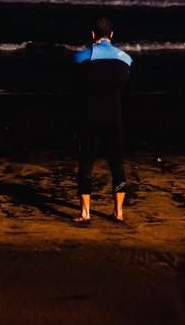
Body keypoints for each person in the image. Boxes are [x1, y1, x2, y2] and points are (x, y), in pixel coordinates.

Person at [72, 17, 132, 225]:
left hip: (90, 117)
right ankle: (118, 212)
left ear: (92, 34)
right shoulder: (126, 59)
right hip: (114, 118)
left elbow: (76, 85)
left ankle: (86, 213)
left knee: (86, 163)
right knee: (116, 164)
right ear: (112, 35)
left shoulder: (81, 58)